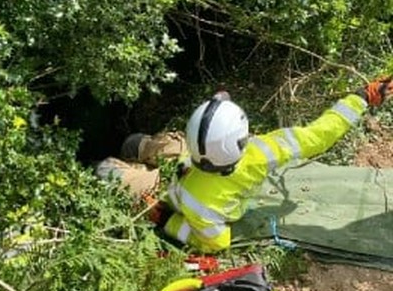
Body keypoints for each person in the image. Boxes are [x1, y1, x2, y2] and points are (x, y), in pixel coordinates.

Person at [95, 77, 393, 253]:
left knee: (105, 171)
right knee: (157, 146)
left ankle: (131, 157)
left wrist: (165, 220)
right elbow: (320, 134)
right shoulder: (263, 151)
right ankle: (139, 149)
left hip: (167, 189)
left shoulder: (200, 204)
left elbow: (216, 244)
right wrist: (361, 97)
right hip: (185, 164)